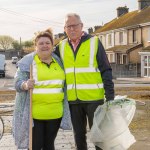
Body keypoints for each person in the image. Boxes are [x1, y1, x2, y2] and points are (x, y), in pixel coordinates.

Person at [54, 13, 115, 150]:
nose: (72, 29)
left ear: (81, 26)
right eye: (68, 26)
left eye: (75, 25)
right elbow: (45, 56)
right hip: (73, 100)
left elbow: (106, 69)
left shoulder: (94, 42)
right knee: (78, 137)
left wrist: (110, 96)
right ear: (64, 29)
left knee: (99, 137)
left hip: (94, 99)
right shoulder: (61, 46)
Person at [12, 28, 71, 150]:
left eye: (47, 43)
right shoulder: (28, 62)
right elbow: (17, 83)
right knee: (35, 146)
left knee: (49, 145)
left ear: (52, 45)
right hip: (35, 115)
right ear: (35, 46)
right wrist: (25, 85)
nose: (45, 46)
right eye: (41, 43)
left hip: (55, 114)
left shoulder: (59, 61)